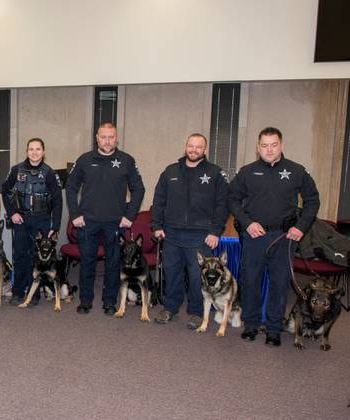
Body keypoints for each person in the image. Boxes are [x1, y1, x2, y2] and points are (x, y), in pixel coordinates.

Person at [228, 127, 319, 346]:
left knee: (279, 283)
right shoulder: (247, 172)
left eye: (274, 145)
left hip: (284, 236)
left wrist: (300, 227)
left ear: (282, 145)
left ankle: (273, 329)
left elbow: (312, 200)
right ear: (258, 148)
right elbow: (231, 199)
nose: (269, 150)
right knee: (250, 281)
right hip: (254, 236)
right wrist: (248, 223)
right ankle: (250, 324)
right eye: (264, 145)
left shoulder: (297, 171)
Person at [66, 122, 145, 315]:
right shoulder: (84, 160)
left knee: (113, 263)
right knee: (87, 262)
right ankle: (85, 300)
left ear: (116, 138)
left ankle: (110, 301)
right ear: (97, 138)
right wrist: (75, 215)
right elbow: (71, 187)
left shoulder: (127, 160)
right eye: (103, 137)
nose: (107, 141)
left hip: (116, 222)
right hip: (88, 221)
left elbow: (139, 189)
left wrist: (129, 216)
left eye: (111, 137)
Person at [151, 133, 229, 328]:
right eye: (191, 146)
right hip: (171, 234)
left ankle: (196, 312)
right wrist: (157, 226)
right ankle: (170, 308)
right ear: (185, 146)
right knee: (172, 273)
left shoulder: (215, 173)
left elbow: (223, 205)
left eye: (198, 147)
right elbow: (159, 201)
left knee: (197, 277)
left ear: (205, 150)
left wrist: (215, 231)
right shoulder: (170, 172)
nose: (194, 150)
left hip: (201, 236)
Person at [2, 138, 63, 306]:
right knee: (20, 256)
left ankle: (33, 294)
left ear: (43, 152)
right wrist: (12, 212)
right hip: (21, 220)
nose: (34, 152)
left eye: (38, 149)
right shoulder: (16, 170)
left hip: (42, 220)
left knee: (37, 258)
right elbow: (5, 191)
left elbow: (58, 201)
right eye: (31, 149)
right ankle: (17, 292)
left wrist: (55, 226)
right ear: (26, 151)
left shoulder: (50, 173)